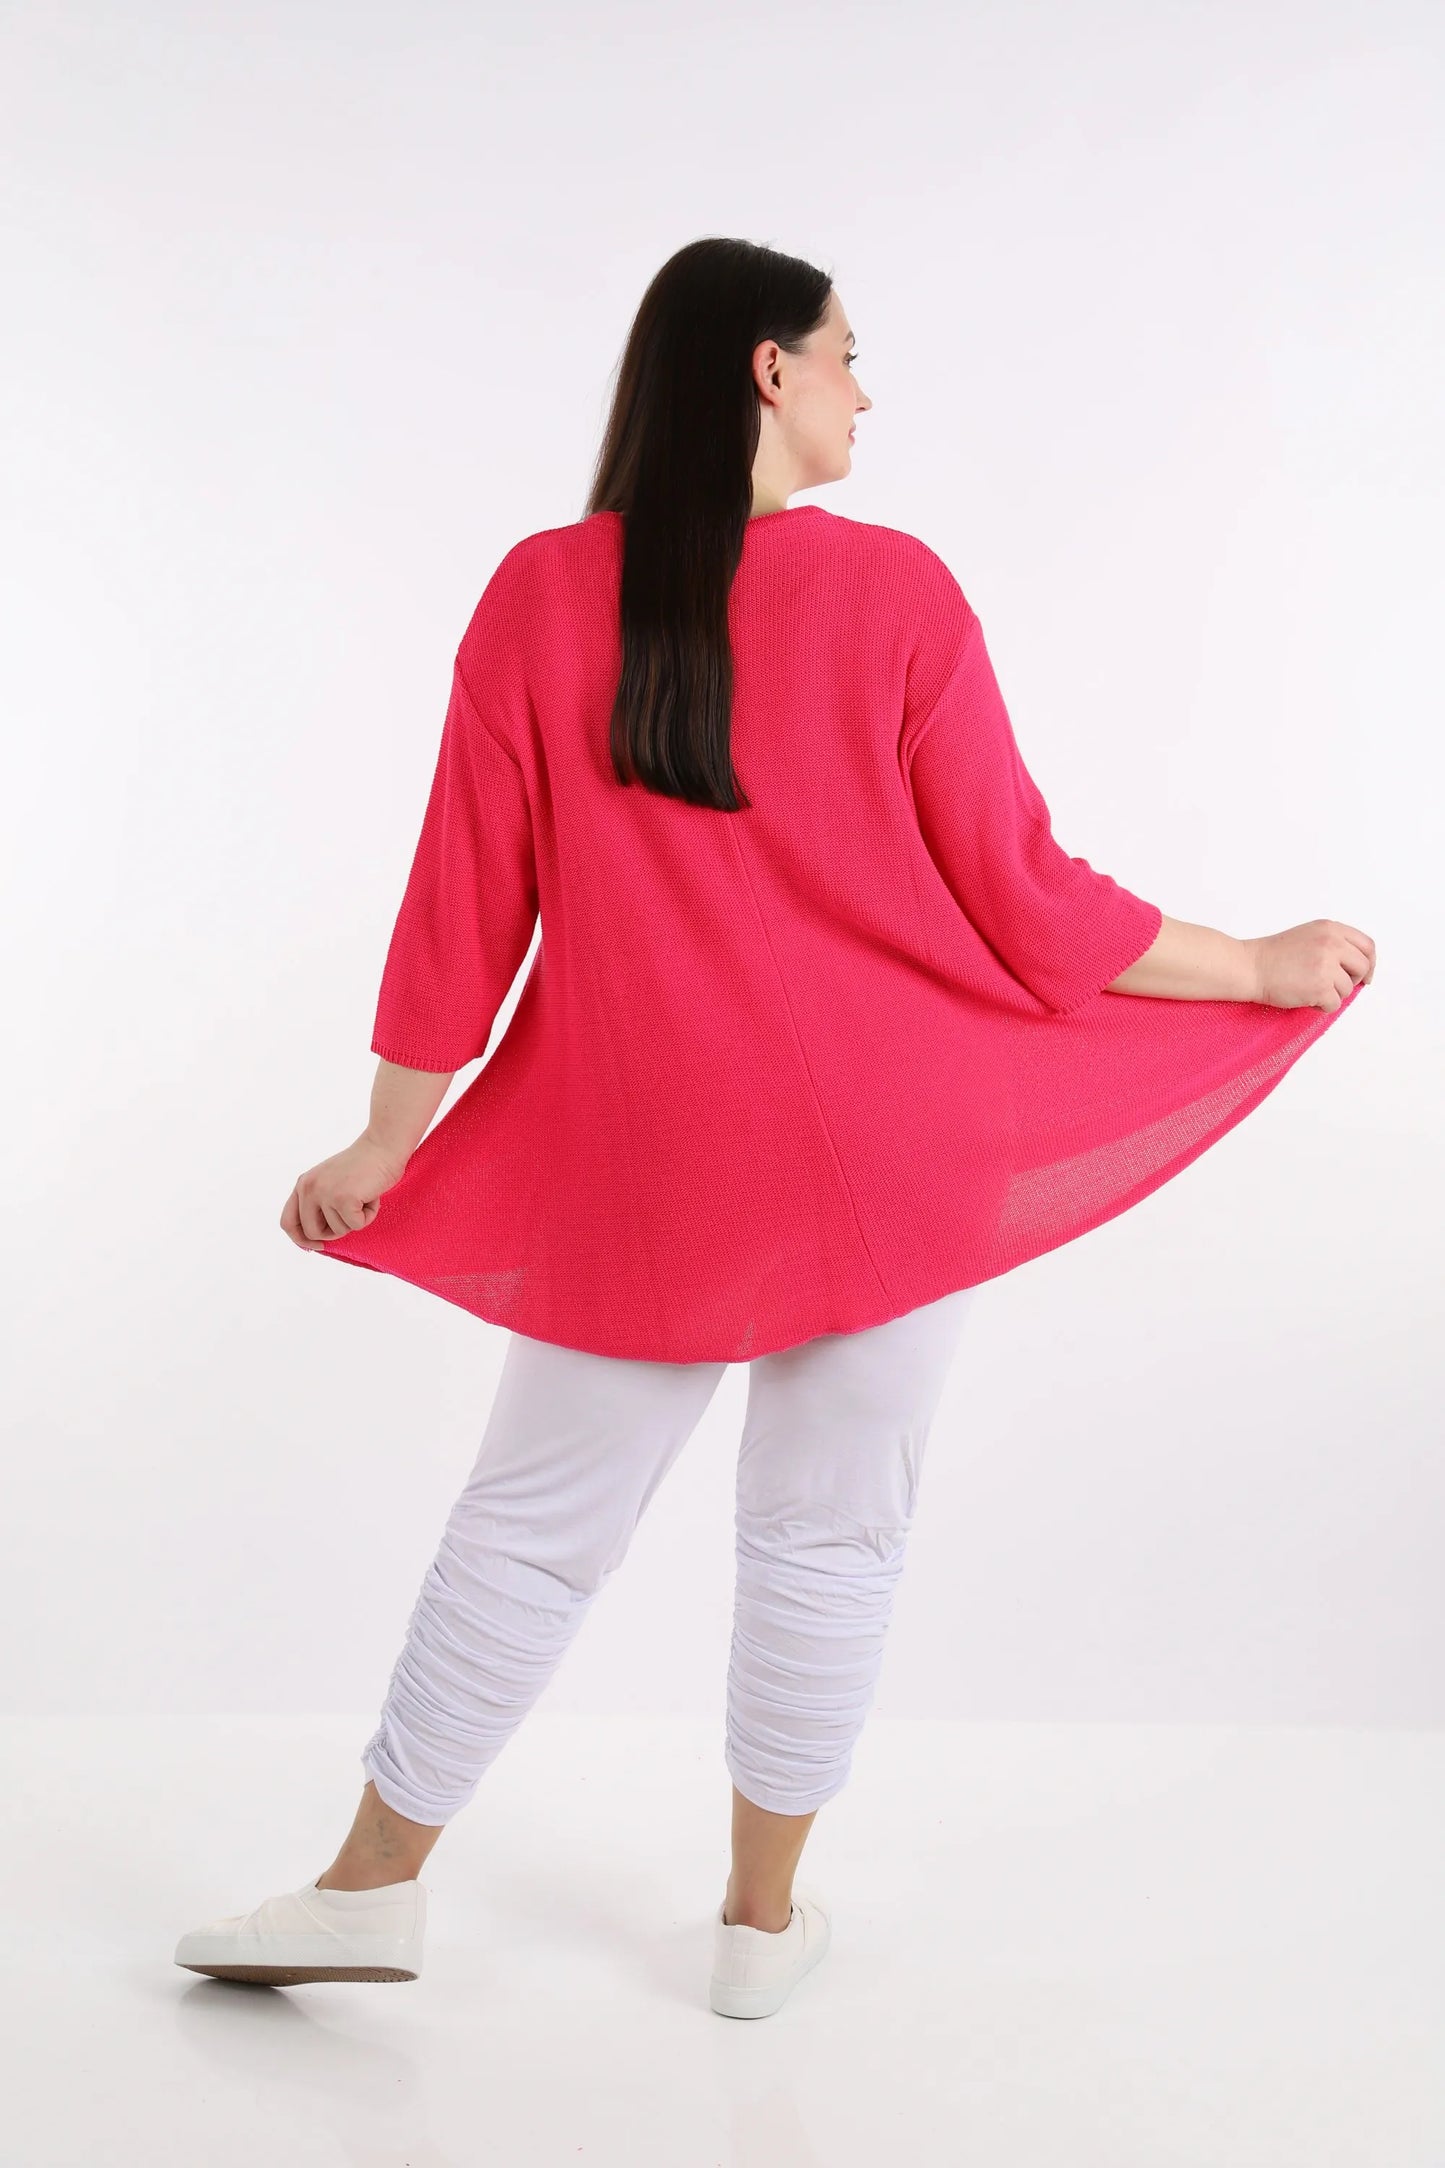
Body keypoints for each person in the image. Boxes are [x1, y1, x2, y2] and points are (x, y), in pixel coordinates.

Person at [173, 238, 1373, 2016]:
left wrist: (383, 1137)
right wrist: (1256, 965)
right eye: (847, 356)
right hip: (893, 1147)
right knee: (829, 1531)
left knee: (529, 1526)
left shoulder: (536, 595)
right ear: (767, 369)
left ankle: (368, 1893)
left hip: (651, 1156)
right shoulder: (894, 592)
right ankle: (755, 1930)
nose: (863, 395)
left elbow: (463, 907)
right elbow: (1027, 898)